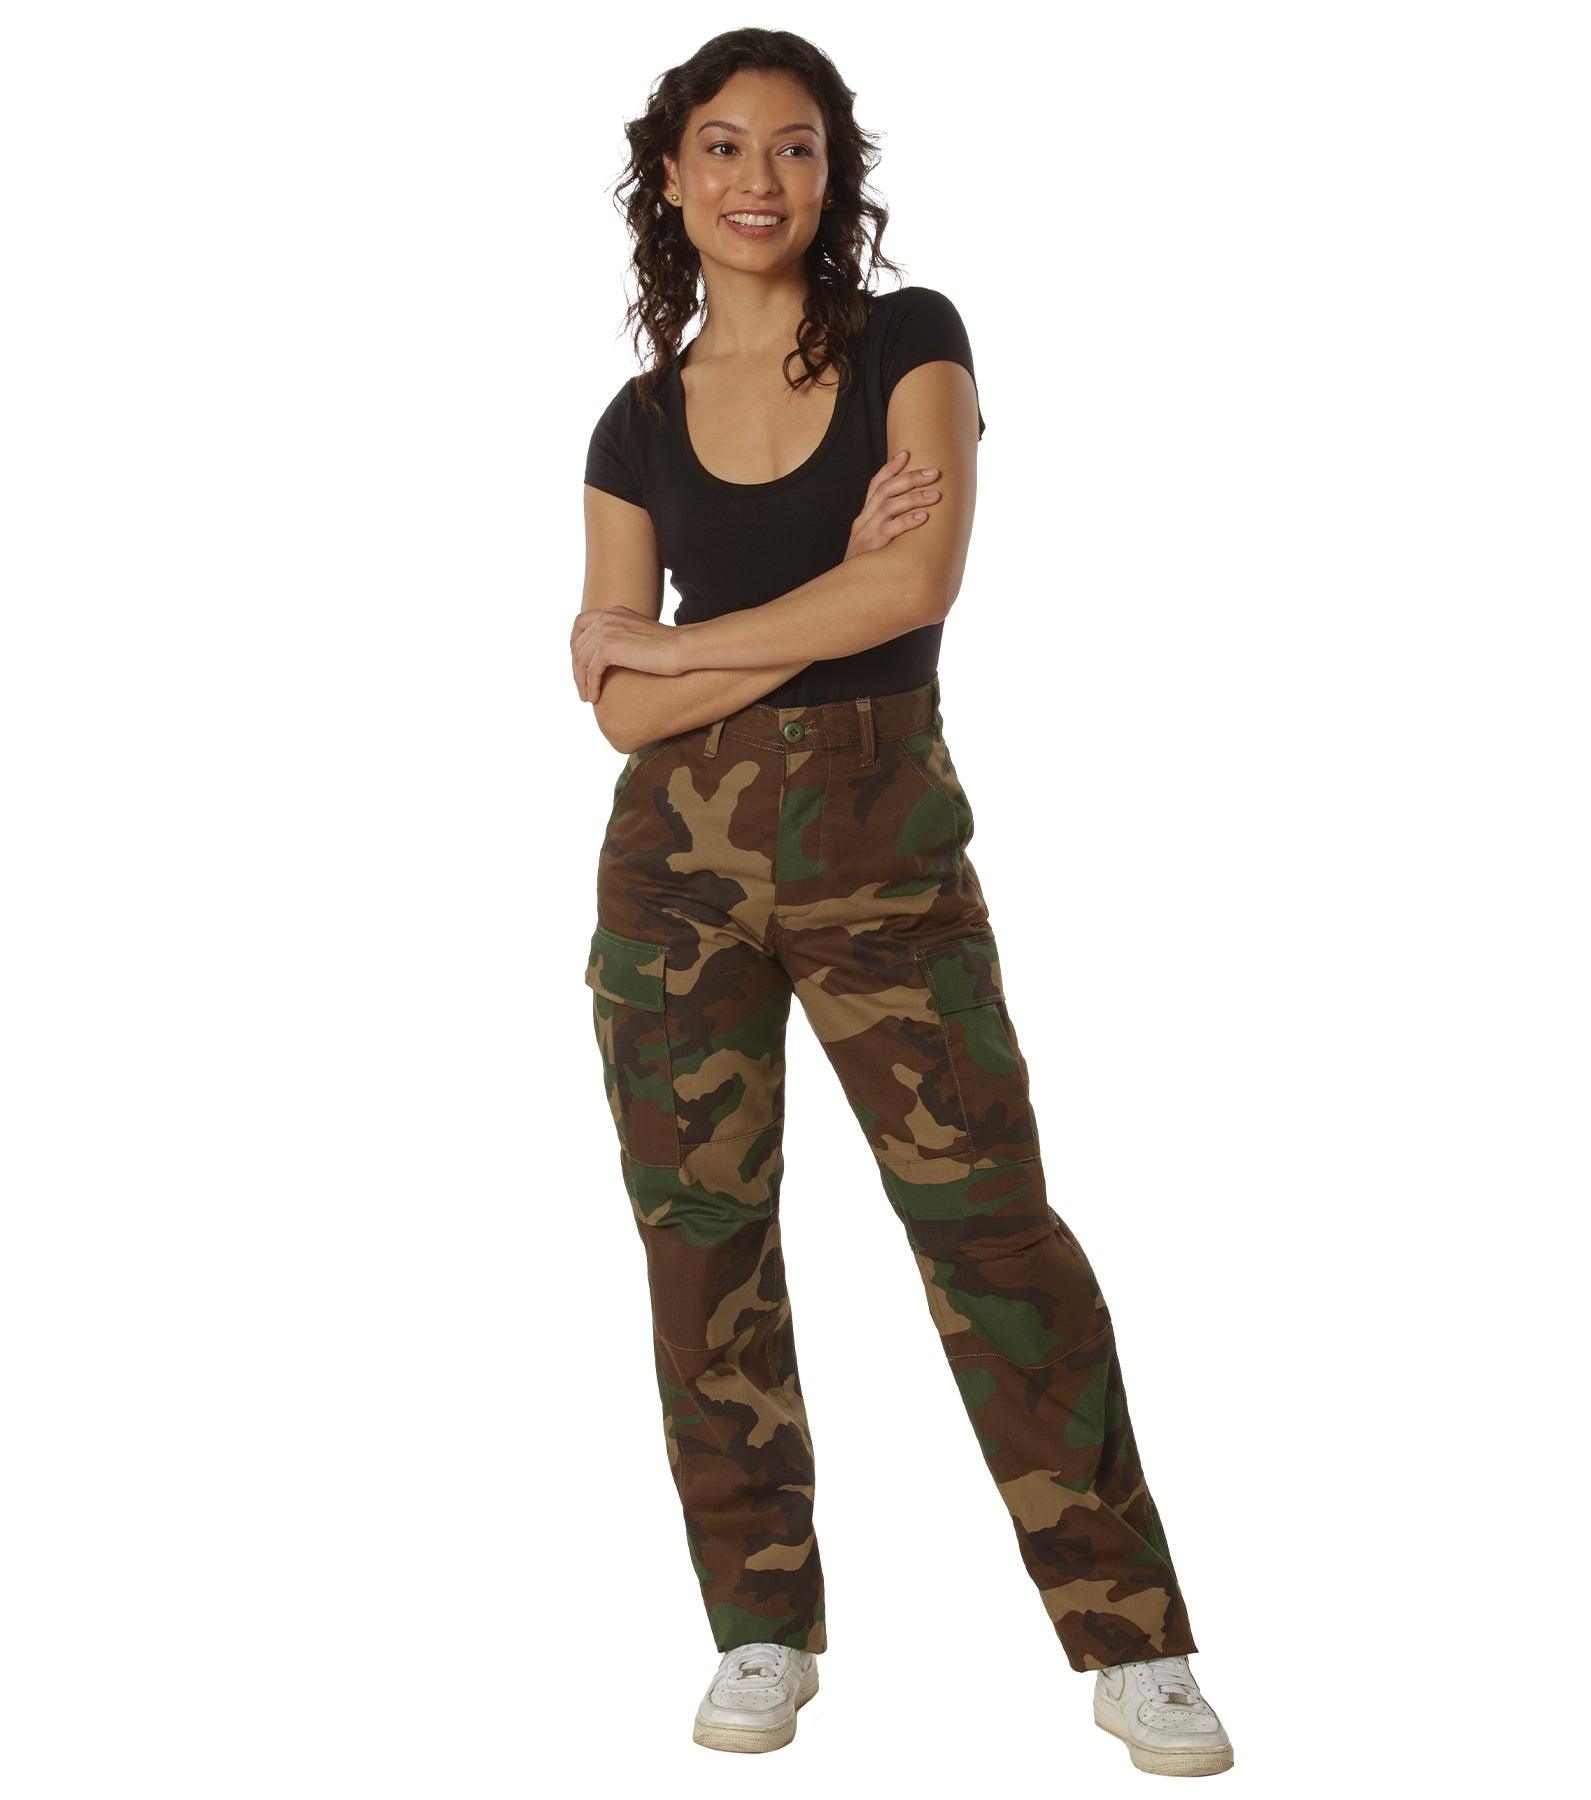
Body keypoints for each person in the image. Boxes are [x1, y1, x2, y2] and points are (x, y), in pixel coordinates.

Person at [569, 29, 1233, 1779]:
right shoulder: (636, 423)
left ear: (832, 173)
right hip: (673, 875)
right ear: (672, 180)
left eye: (794, 148)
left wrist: (692, 643)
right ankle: (760, 1623)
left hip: (887, 849)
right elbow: (617, 713)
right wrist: (820, 596)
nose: (759, 180)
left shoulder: (909, 341)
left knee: (990, 1228)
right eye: (724, 148)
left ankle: (1134, 1639)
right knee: (702, 1244)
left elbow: (917, 582)